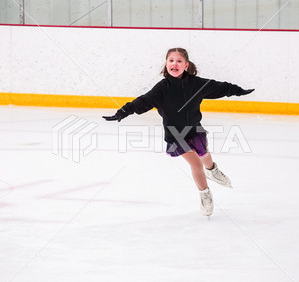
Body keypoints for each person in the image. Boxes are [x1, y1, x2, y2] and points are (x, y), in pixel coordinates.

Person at [103, 47, 254, 217]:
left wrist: (237, 90)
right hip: (175, 134)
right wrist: (123, 111)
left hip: (194, 128)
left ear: (186, 65)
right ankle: (205, 195)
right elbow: (143, 101)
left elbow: (218, 87)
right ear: (166, 64)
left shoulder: (196, 84)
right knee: (196, 164)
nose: (174, 64)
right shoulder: (162, 88)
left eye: (179, 61)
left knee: (204, 154)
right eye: (171, 61)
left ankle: (212, 170)